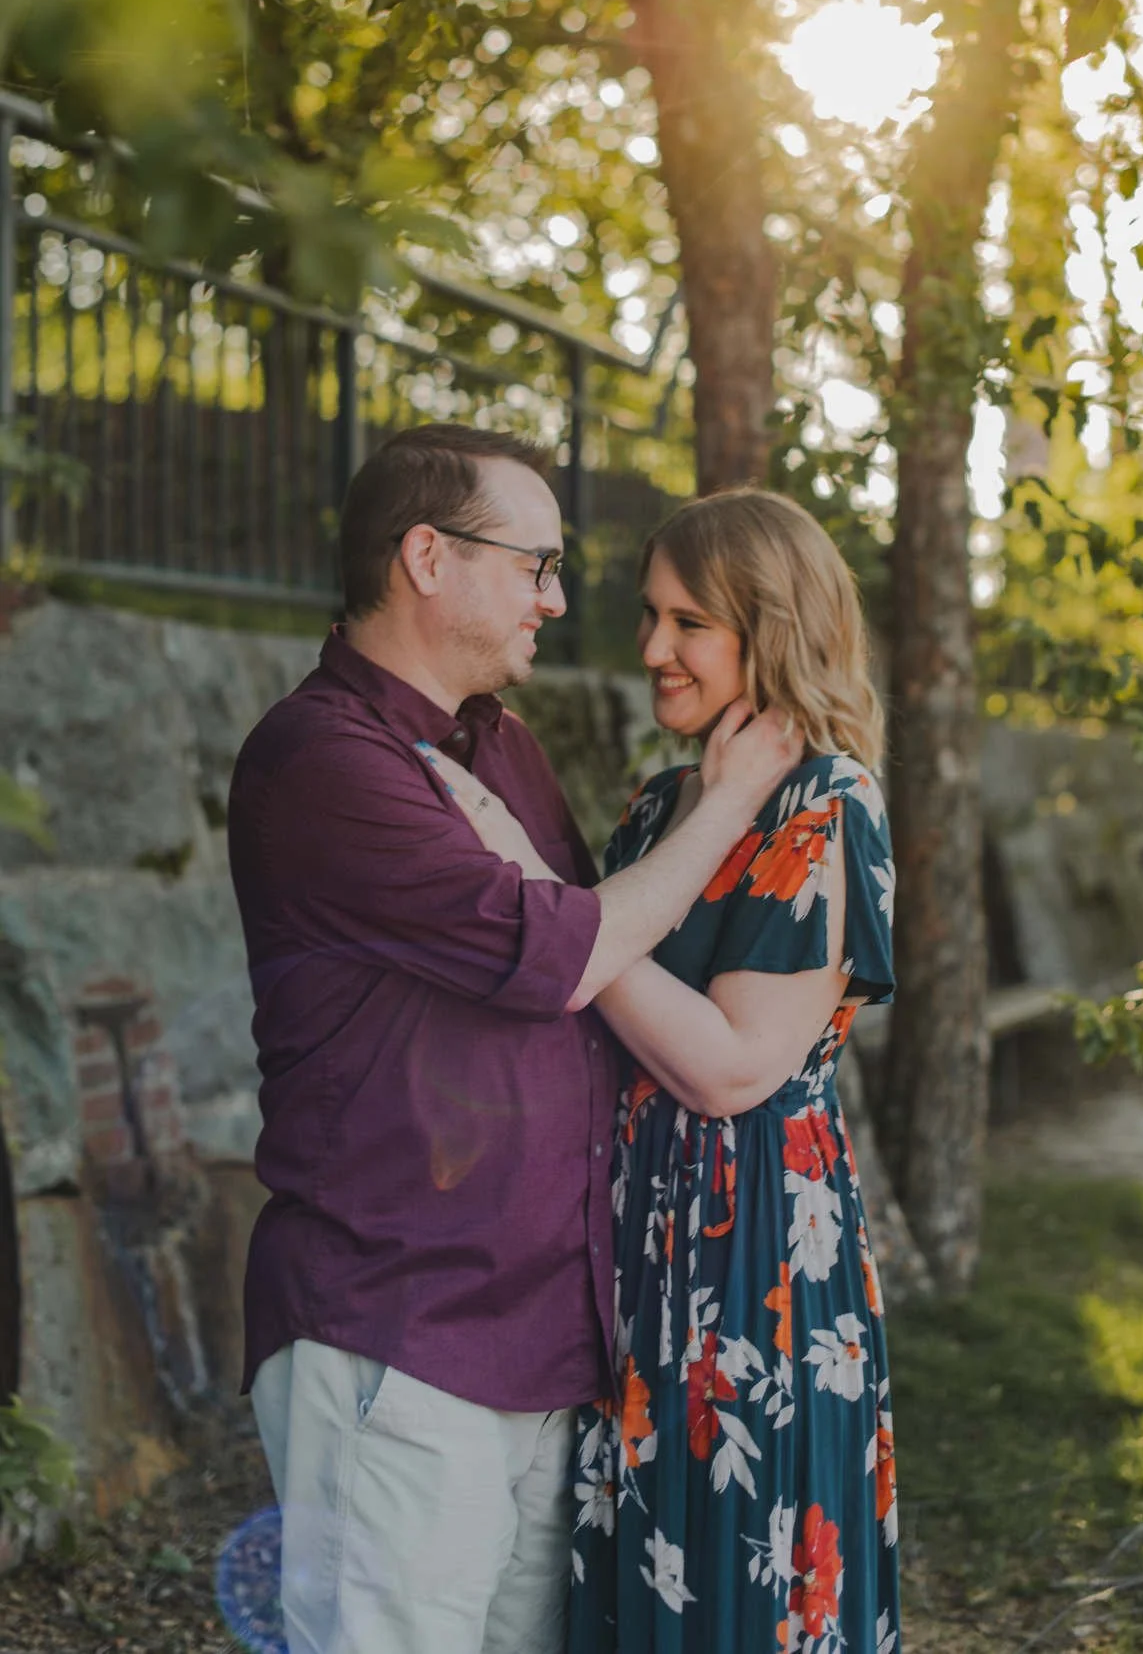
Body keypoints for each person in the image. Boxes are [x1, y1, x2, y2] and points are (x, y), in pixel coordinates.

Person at [225, 425, 799, 1654]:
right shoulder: (324, 760)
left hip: (541, 1343)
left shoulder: (500, 745)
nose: (556, 599)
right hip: (399, 1334)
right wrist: (732, 800)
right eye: (536, 565)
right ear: (428, 557)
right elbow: (572, 952)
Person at [441, 487, 898, 1654]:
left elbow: (733, 1068)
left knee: (734, 1584)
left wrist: (551, 906)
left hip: (751, 1259)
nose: (652, 648)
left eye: (689, 622)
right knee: (635, 1584)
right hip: (635, 1243)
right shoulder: (657, 807)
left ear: (772, 629)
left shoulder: (828, 804)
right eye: (652, 615)